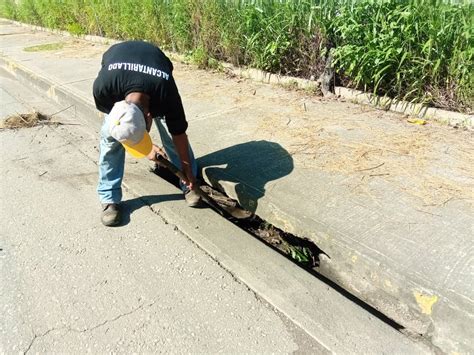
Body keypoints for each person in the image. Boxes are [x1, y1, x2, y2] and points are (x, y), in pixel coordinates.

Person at [93, 41, 201, 227]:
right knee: (110, 140)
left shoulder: (166, 91)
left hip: (155, 63)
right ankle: (109, 198)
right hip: (115, 66)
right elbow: (120, 129)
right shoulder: (102, 89)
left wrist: (187, 168)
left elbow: (179, 133)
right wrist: (147, 149)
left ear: (150, 116)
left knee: (170, 132)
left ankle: (188, 182)